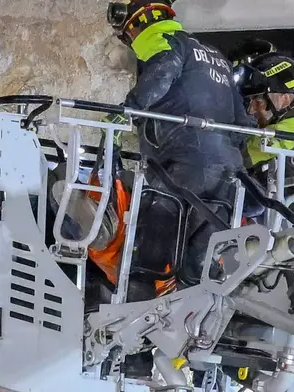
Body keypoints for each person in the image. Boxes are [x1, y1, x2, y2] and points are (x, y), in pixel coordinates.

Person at [106, 0, 253, 377]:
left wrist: (129, 109)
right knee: (199, 271)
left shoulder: (163, 41)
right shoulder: (214, 56)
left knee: (147, 259)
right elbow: (241, 119)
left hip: (180, 168)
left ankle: (135, 361)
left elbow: (162, 74)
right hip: (225, 174)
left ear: (138, 24)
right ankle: (193, 359)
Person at [234, 53, 294, 180]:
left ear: (285, 99)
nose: (251, 111)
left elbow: (231, 159)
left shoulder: (275, 134)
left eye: (258, 102)